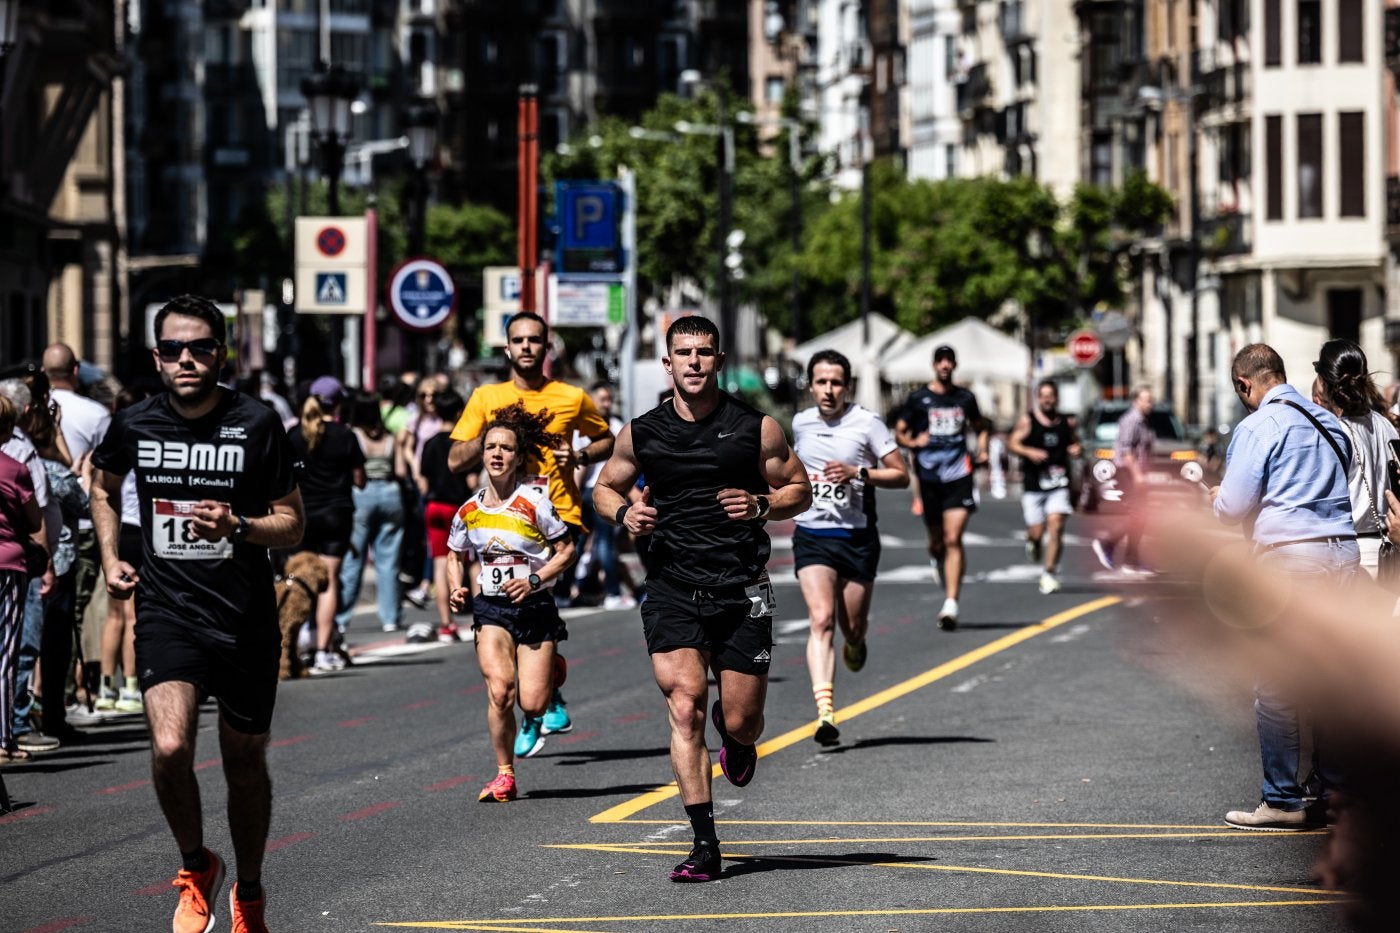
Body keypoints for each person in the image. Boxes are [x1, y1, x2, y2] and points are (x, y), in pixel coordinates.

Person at [89, 294, 304, 932]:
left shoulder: (259, 423)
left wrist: (239, 526)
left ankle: (251, 890)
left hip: (243, 619)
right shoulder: (134, 423)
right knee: (170, 744)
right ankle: (193, 865)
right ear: (157, 357)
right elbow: (101, 486)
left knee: (243, 761)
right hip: (167, 609)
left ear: (221, 353)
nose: (188, 358)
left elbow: (292, 522)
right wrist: (108, 558)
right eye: (174, 348)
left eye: (201, 346)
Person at [592, 315, 811, 882]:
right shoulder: (640, 433)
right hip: (671, 587)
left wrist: (761, 506)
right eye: (683, 353)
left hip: (740, 590)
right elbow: (604, 487)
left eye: (704, 352)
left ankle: (736, 739)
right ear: (667, 363)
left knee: (742, 721)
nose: (693, 362)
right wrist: (625, 512)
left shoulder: (755, 428)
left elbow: (799, 488)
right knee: (684, 706)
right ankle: (706, 843)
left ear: (718, 360)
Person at [1211, 343, 1358, 831]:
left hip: (1291, 561)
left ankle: (1282, 799)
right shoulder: (1329, 422)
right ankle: (1335, 793)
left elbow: (1233, 509)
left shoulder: (1258, 427)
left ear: (1244, 385)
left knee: (1275, 684)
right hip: (1343, 557)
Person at [448, 312, 615, 744]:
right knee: (524, 604)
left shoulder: (572, 397)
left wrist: (578, 458)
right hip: (504, 518)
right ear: (507, 349)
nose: (526, 347)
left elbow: (606, 441)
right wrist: (490, 430)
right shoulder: (487, 397)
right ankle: (547, 689)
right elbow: (454, 459)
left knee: (538, 594)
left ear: (546, 348)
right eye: (518, 340)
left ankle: (541, 696)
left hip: (556, 513)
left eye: (534, 340)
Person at [446, 401, 577, 802]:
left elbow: (566, 550)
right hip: (492, 609)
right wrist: (456, 588)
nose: (497, 454)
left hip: (535, 607)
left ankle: (551, 680)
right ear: (482, 456)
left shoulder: (534, 503)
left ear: (518, 458)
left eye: (505, 448)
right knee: (501, 691)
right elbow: (455, 554)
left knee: (532, 704)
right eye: (490, 447)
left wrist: (535, 578)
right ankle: (505, 774)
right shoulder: (469, 509)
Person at [791, 350, 908, 746]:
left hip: (856, 537)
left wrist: (858, 472)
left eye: (836, 382)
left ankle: (856, 642)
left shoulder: (867, 423)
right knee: (821, 619)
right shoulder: (800, 423)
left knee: (851, 627)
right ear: (811, 385)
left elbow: (901, 475)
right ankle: (825, 713)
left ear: (848, 386)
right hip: (812, 535)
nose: (829, 390)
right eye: (821, 382)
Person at [894, 344, 988, 631]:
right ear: (934, 365)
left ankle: (951, 604)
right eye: (941, 361)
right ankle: (936, 559)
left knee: (953, 538)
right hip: (930, 477)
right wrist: (913, 443)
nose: (945, 366)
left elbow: (981, 426)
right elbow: (900, 430)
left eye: (950, 361)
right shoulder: (919, 398)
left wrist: (981, 448)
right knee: (936, 540)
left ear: (955, 365)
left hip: (959, 474)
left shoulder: (965, 397)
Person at [286, 376, 365, 674]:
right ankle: (322, 650)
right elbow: (359, 479)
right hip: (337, 512)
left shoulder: (294, 434)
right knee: (329, 580)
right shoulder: (345, 435)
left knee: (300, 577)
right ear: (338, 403)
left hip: (303, 513)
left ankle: (295, 646)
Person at [1310, 339, 1399, 583]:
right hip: (1389, 549)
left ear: (1324, 382)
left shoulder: (1335, 432)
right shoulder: (1385, 425)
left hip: (1350, 553)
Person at [95, 387, 151, 716]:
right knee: (133, 616)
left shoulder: (110, 439)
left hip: (120, 528)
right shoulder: (143, 436)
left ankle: (106, 686)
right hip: (139, 527)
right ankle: (130, 685)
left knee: (114, 614)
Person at [335, 391, 408, 637]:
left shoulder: (353, 434)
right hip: (391, 492)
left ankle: (342, 617)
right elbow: (399, 470)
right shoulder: (390, 436)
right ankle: (390, 618)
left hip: (362, 494)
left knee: (352, 558)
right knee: (388, 560)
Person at [0, 394, 44, 762]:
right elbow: (34, 521)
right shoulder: (14, 468)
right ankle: (3, 739)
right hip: (8, 565)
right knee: (5, 654)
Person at [1007, 380, 1082, 594]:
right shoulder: (1028, 421)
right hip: (1034, 485)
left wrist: (1076, 449)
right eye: (1044, 396)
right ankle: (1033, 541)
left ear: (1057, 398)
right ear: (1038, 398)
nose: (1048, 399)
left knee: (1056, 525)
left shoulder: (1066, 423)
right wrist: (1029, 452)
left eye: (1051, 395)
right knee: (1037, 531)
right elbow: (1012, 443)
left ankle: (1049, 573)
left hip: (1059, 483)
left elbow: (1075, 443)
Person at [572, 381, 635, 609]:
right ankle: (607, 593)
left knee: (604, 544)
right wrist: (574, 496)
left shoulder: (618, 426)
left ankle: (611, 593)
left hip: (608, 492)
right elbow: (579, 464)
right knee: (582, 544)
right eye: (602, 399)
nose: (607, 404)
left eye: (609, 399)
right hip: (589, 491)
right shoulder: (583, 428)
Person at [419, 389, 474, 641]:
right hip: (458, 508)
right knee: (472, 562)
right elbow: (472, 480)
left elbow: (423, 479)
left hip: (434, 507)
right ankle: (483, 616)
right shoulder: (463, 444)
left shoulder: (430, 443)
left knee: (441, 564)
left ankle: (446, 623)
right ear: (459, 412)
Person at [1091, 385, 1155, 574]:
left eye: (1151, 400)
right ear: (1136, 400)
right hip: (1127, 473)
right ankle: (1107, 543)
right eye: (1147, 400)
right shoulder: (1131, 420)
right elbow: (1126, 451)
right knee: (1137, 515)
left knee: (1141, 517)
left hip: (1137, 473)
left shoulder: (1143, 421)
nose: (1150, 404)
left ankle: (1131, 560)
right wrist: (1137, 475)